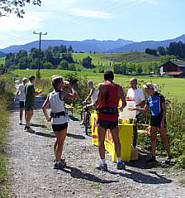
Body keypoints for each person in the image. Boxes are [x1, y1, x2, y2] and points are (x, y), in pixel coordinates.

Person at [89, 71, 126, 171]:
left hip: (103, 116)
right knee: (116, 140)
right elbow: (124, 103)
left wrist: (92, 106)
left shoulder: (102, 86)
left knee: (101, 140)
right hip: (114, 116)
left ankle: (103, 163)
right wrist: (119, 108)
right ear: (113, 78)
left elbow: (97, 101)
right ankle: (119, 161)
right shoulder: (119, 87)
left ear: (104, 78)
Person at [128, 82, 171, 164]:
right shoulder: (149, 99)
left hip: (160, 119)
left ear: (151, 89)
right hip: (153, 119)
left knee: (163, 138)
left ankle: (169, 156)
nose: (146, 92)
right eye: (145, 91)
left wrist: (162, 121)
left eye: (146, 90)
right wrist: (135, 109)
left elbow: (164, 110)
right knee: (153, 138)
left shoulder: (160, 96)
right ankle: (153, 156)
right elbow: (145, 110)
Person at [42, 75, 78, 169]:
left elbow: (43, 107)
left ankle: (57, 158)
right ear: (59, 85)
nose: (64, 83)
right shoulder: (62, 93)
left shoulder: (50, 94)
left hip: (54, 121)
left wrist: (47, 117)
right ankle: (58, 162)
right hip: (62, 121)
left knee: (57, 140)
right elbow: (75, 96)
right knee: (61, 142)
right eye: (62, 82)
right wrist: (70, 87)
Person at [127, 78, 145, 147]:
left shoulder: (139, 92)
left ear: (136, 83)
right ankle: (128, 143)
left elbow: (143, 102)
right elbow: (127, 99)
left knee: (134, 129)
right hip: (129, 112)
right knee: (128, 128)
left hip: (136, 113)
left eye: (132, 83)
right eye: (130, 83)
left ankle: (134, 145)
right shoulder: (129, 90)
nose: (131, 85)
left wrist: (135, 105)